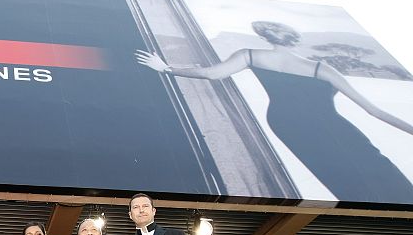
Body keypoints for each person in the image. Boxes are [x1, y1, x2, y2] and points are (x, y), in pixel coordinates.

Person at [135, 21, 413, 203]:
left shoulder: (252, 55)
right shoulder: (321, 68)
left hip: (285, 124)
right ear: (295, 39)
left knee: (332, 173)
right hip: (327, 125)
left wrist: (167, 68)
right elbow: (373, 110)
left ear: (265, 36)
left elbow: (211, 74)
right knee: (374, 164)